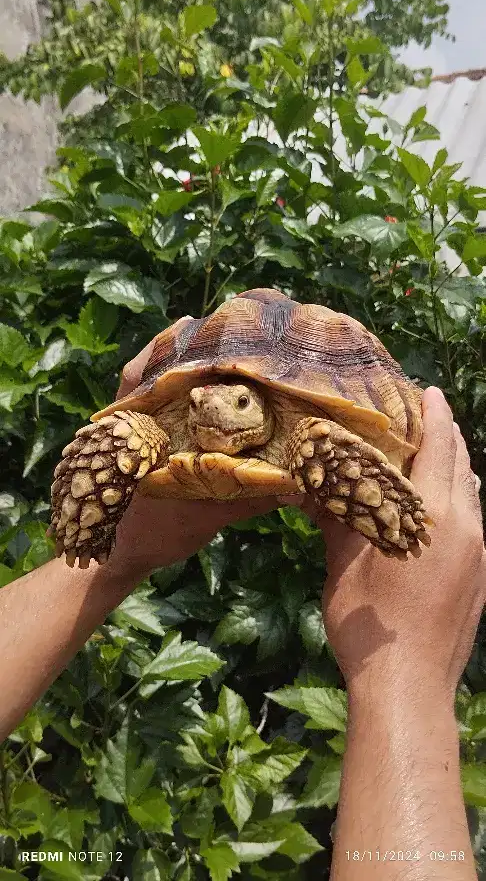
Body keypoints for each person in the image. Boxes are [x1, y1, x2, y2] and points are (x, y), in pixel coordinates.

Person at [0, 340, 484, 880]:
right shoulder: (165, 424)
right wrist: (408, 671)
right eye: (199, 402)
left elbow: (329, 442)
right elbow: (135, 429)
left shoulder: (310, 429)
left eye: (238, 403)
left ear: (262, 407)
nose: (210, 412)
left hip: (315, 423)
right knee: (121, 438)